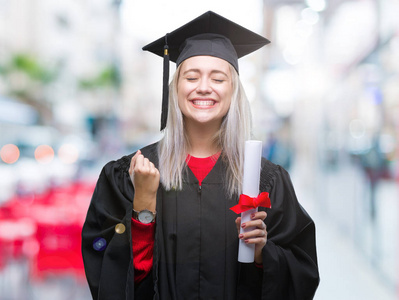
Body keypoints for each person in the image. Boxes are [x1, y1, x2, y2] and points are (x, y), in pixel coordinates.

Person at [81, 11, 319, 300]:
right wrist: (143, 209)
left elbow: (302, 272)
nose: (203, 87)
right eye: (191, 77)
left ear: (233, 91)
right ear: (176, 88)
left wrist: (262, 254)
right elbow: (103, 260)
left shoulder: (266, 180)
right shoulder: (131, 174)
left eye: (218, 79)